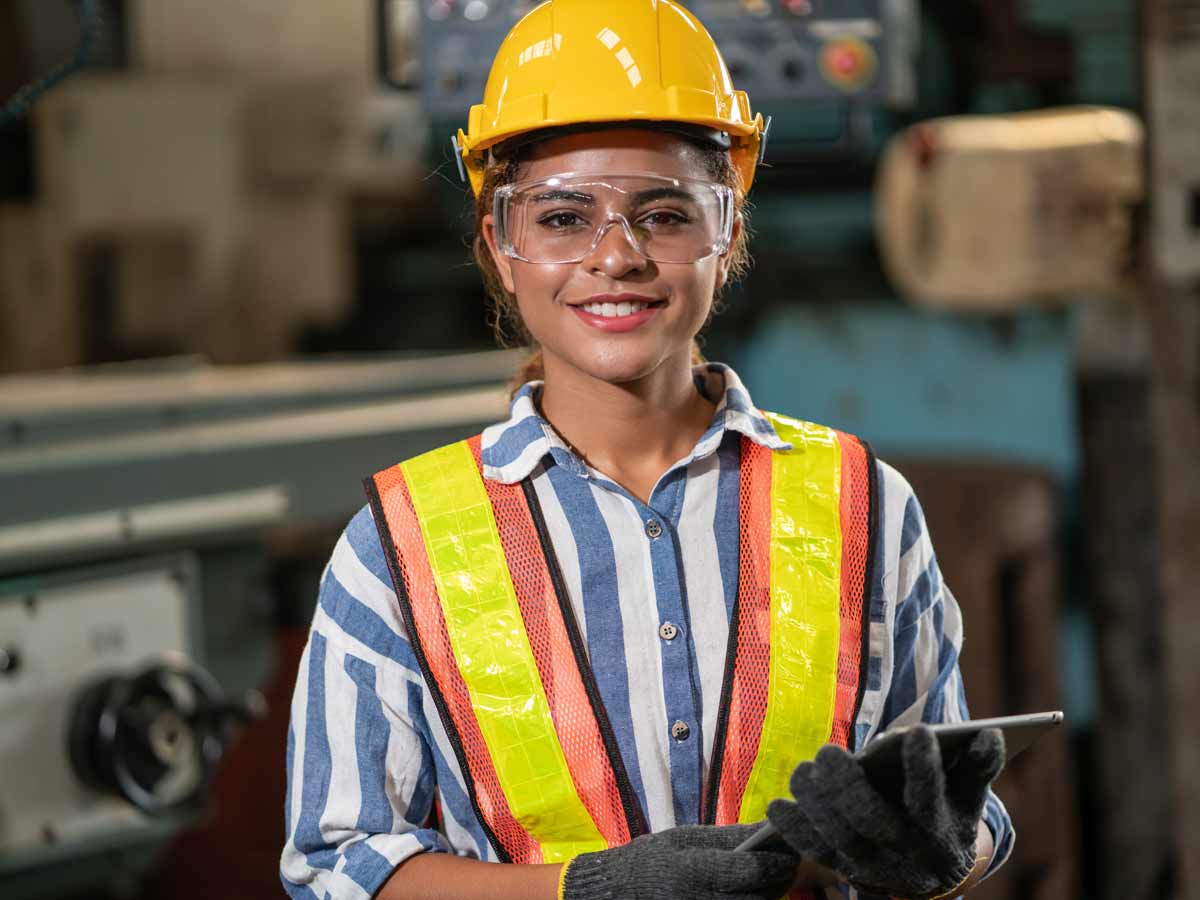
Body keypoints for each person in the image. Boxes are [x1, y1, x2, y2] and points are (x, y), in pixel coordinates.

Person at [280, 2, 1014, 899]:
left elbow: (957, 810)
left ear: (728, 233)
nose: (616, 256)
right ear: (500, 247)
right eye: (560, 218)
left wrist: (943, 856)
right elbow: (339, 867)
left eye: (664, 215)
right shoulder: (399, 548)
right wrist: (580, 890)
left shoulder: (864, 504)